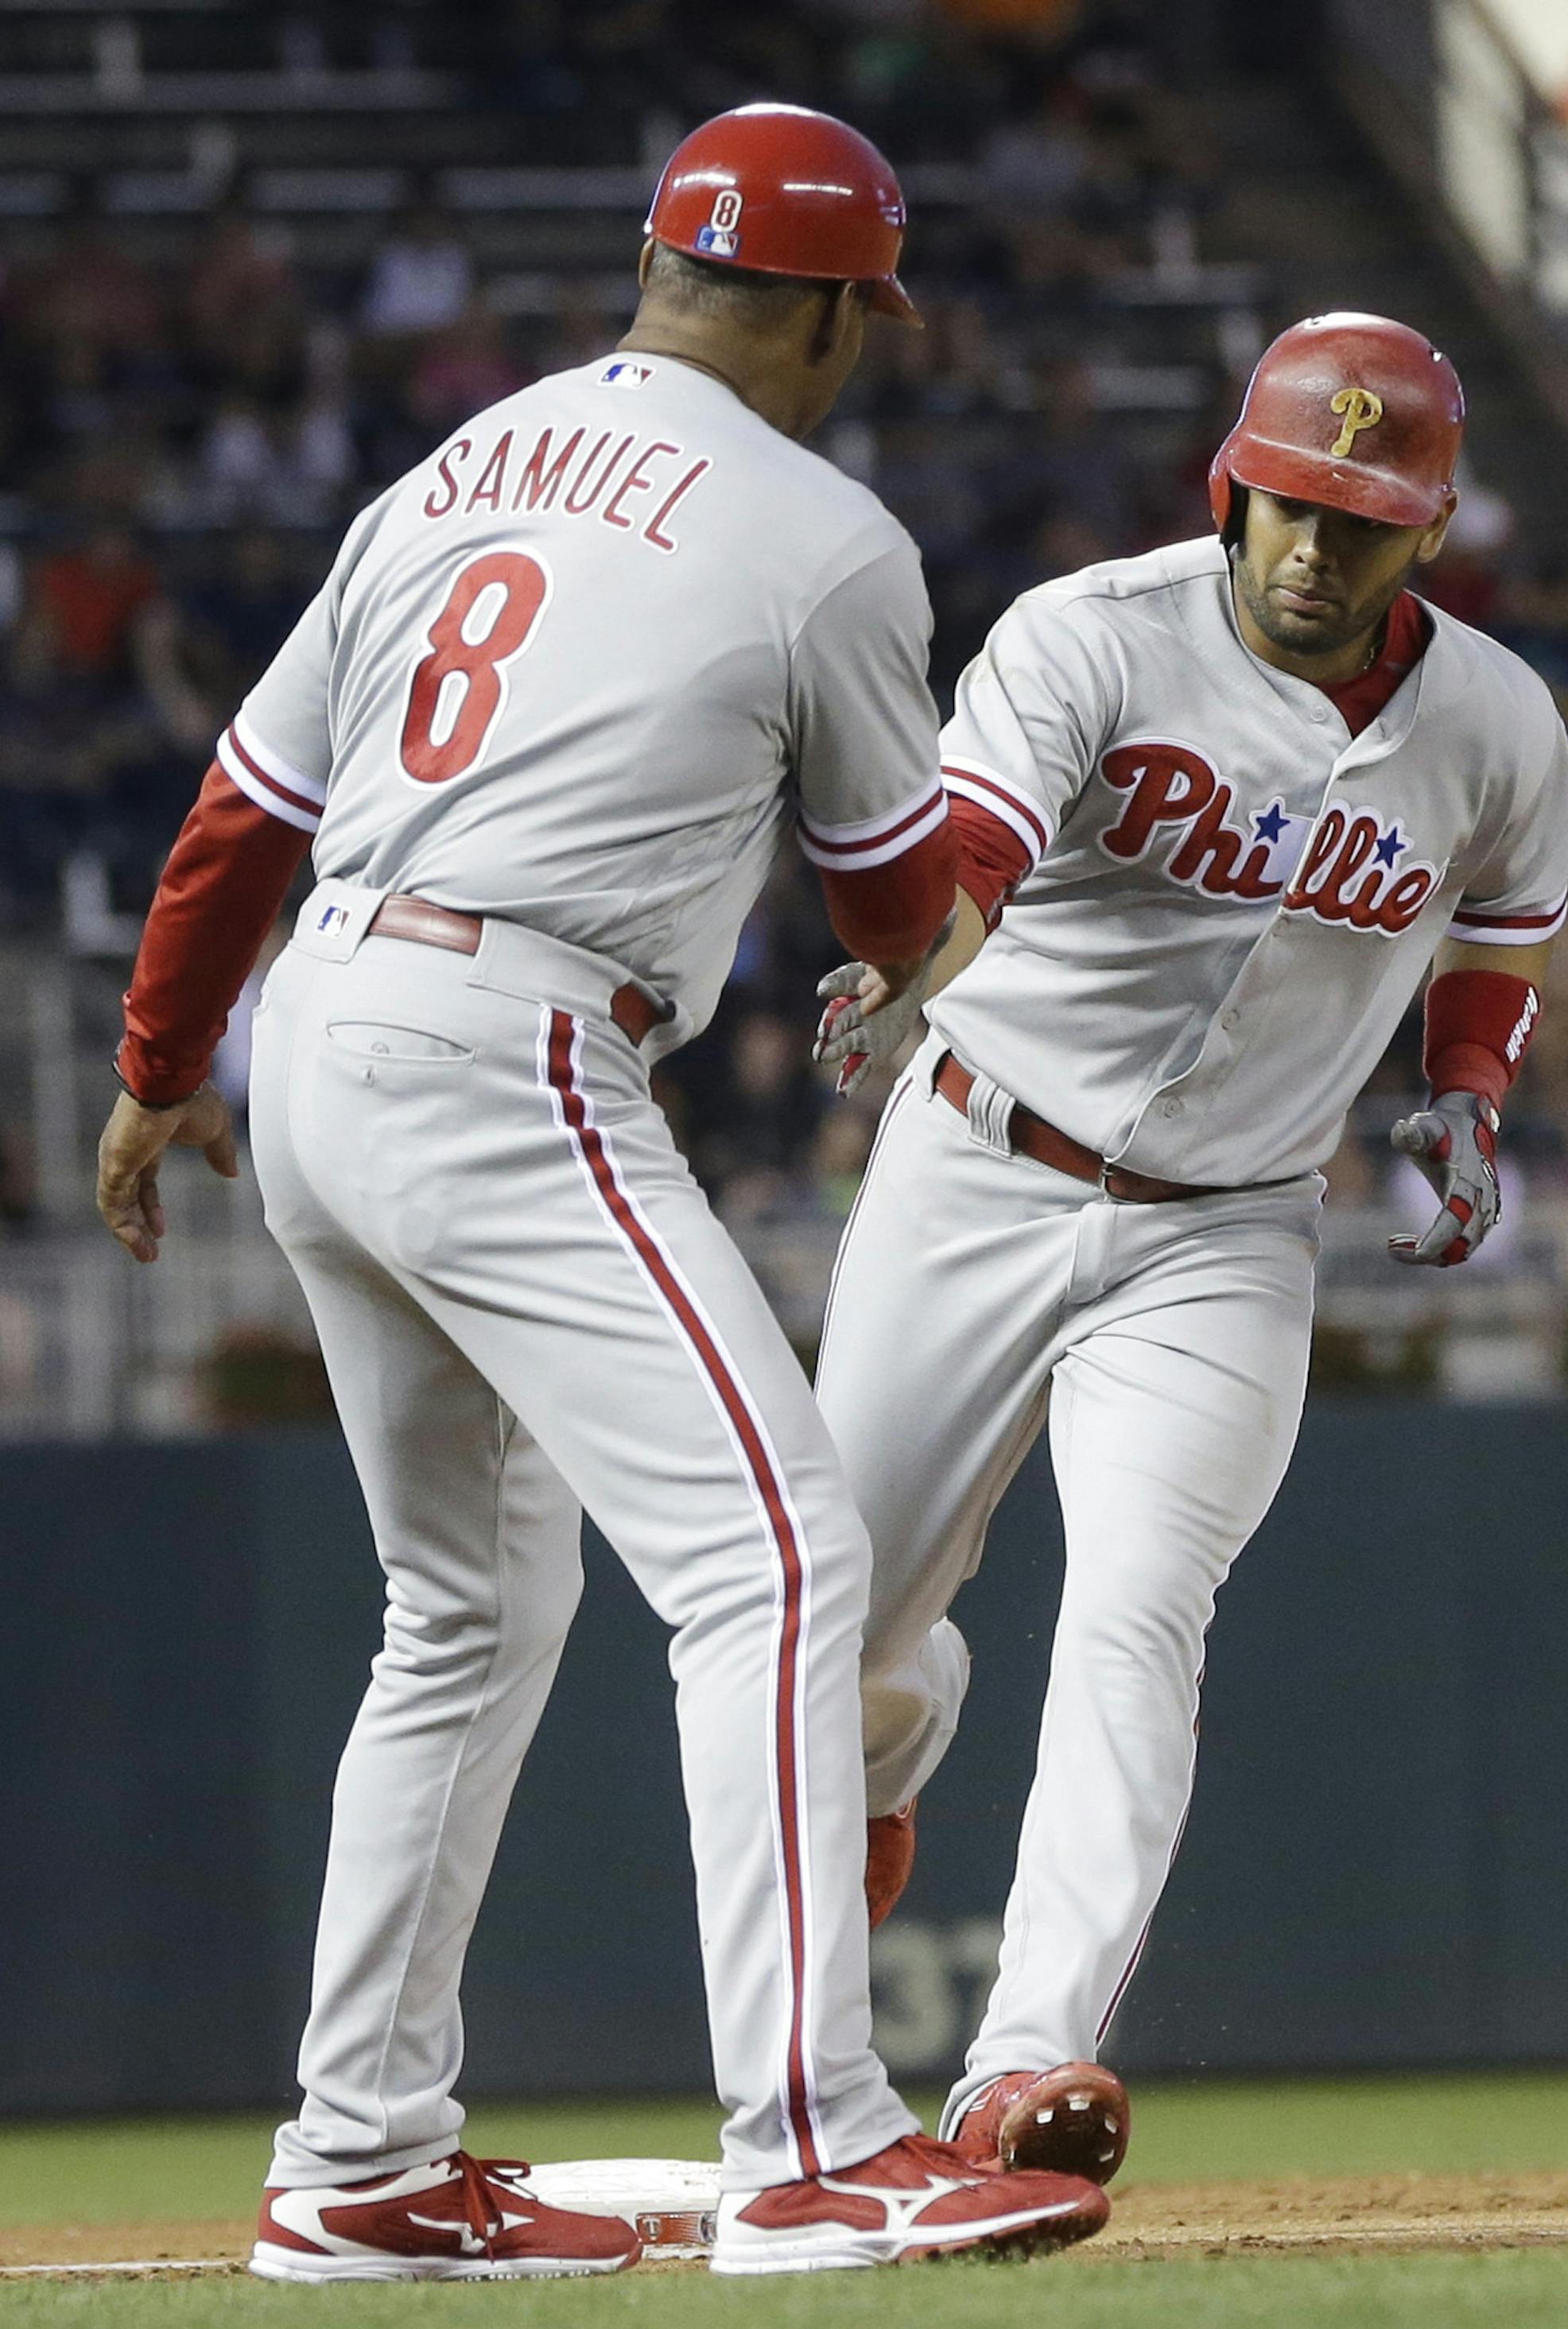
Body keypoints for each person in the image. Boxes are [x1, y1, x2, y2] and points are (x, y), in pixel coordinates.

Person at [95, 104, 1108, 2281]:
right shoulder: (822, 531)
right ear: (839, 308)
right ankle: (818, 2143)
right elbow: (884, 898)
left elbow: (239, 810)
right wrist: (977, 926)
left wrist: (158, 1066)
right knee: (775, 1552)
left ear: (660, 267)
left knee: (461, 1618)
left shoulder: (444, 478)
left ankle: (358, 2156)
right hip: (508, 1042)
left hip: (322, 1040)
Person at [812, 313, 1568, 2184]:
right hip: (980, 1163)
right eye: (1296, 504)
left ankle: (1024, 2058)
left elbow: (1505, 925)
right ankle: (900, 1745)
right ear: (1229, 489)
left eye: (1365, 520)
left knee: (1142, 1607)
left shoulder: (1497, 722)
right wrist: (918, 939)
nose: (1320, 549)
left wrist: (1469, 1086)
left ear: (1434, 531)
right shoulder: (1095, 634)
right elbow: (976, 836)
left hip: (1229, 1228)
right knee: (841, 1632)